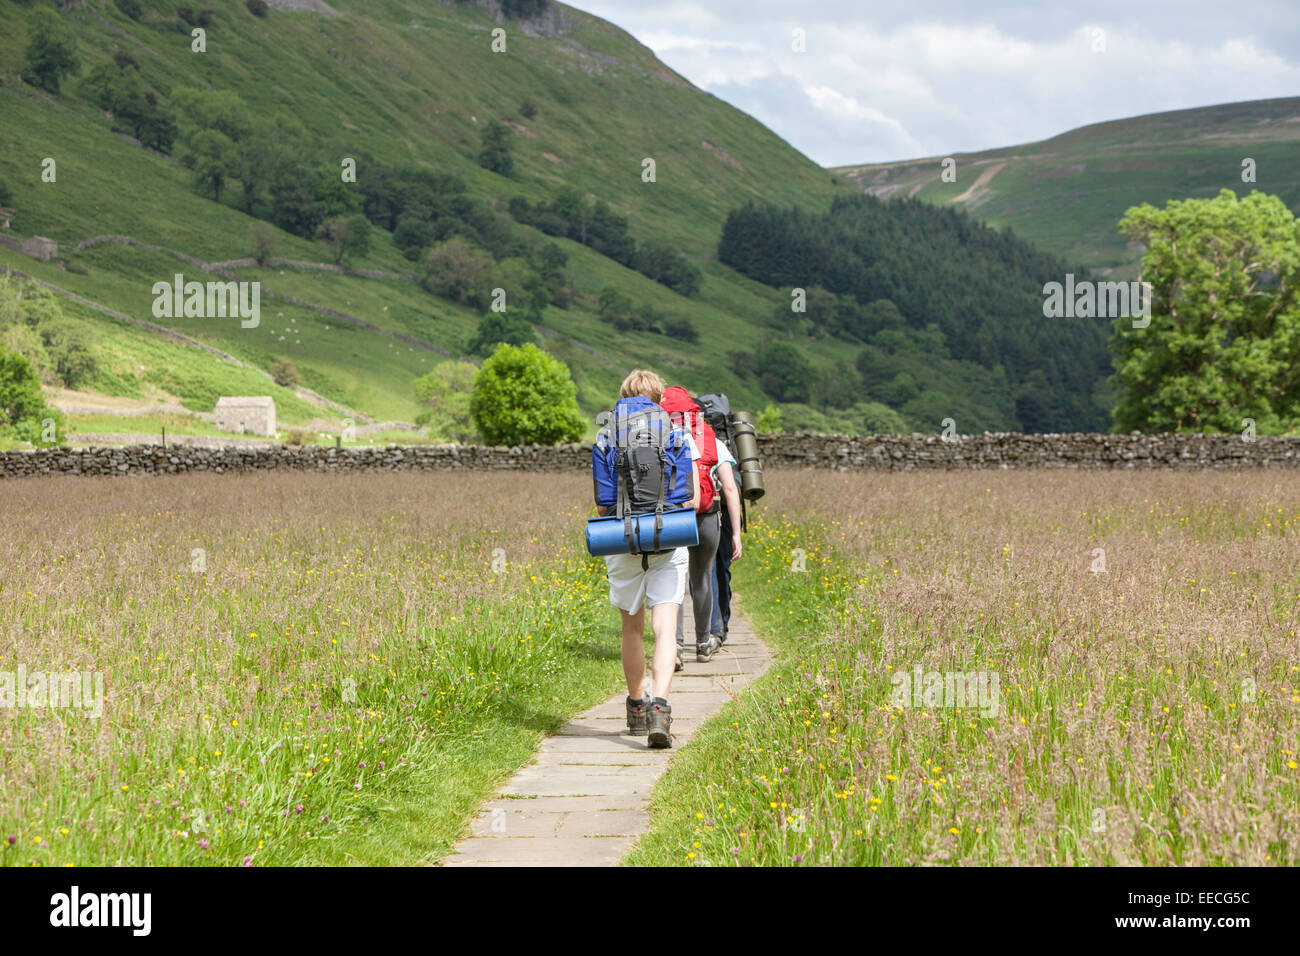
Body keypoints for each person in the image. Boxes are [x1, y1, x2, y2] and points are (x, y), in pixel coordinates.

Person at [592, 370, 700, 748]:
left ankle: (636, 708)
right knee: (665, 628)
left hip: (621, 539)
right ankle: (661, 707)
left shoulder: (606, 433)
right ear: (657, 397)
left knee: (631, 628)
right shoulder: (676, 432)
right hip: (668, 538)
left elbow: (604, 502)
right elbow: (686, 496)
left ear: (622, 395)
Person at [660, 387, 724, 668]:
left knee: (675, 580)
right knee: (702, 578)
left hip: (675, 514)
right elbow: (729, 485)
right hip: (707, 514)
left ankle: (675, 647)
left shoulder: (657, 431)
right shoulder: (707, 433)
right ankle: (703, 643)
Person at [709, 433, 743, 645]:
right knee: (722, 569)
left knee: (702, 574)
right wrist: (737, 534)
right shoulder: (715, 444)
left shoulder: (674, 438)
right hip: (721, 514)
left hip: (690, 516)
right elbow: (730, 488)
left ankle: (710, 629)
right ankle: (721, 625)